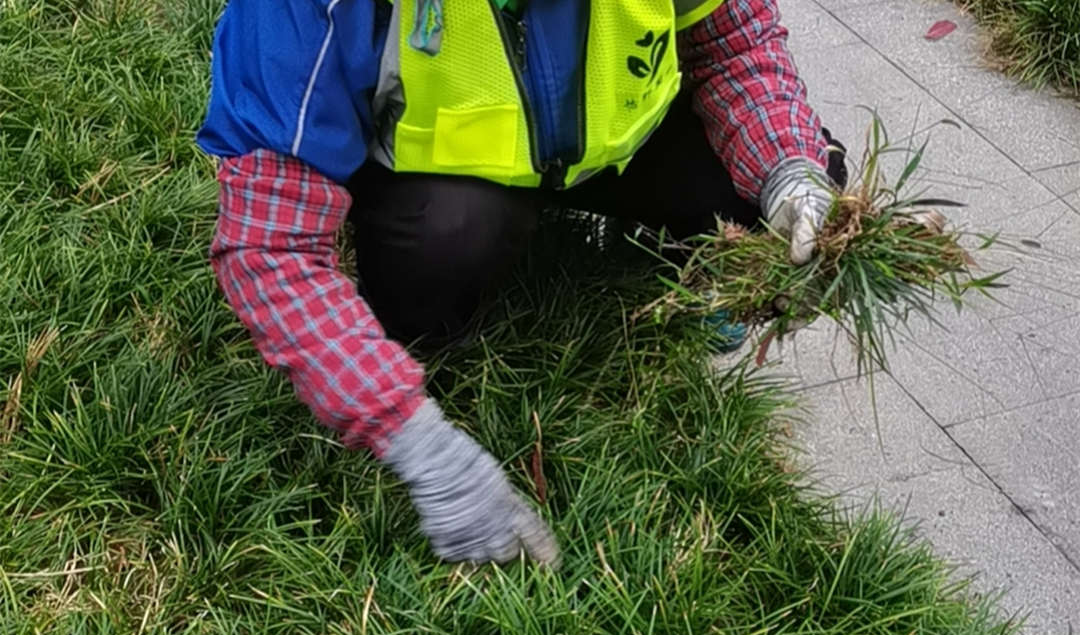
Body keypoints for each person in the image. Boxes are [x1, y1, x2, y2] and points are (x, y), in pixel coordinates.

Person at [197, 0, 848, 569]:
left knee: (805, 180)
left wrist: (785, 167)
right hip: (447, 179)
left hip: (618, 134)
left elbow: (736, 45)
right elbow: (269, 243)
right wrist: (413, 439)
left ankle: (685, 259)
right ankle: (456, 278)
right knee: (436, 259)